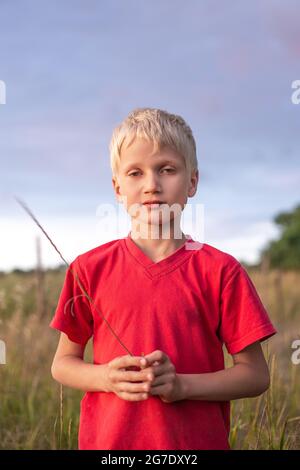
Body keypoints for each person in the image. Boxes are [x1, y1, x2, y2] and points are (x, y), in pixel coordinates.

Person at [50, 107, 277, 450]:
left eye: (167, 170)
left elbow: (256, 375)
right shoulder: (87, 269)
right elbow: (63, 364)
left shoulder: (221, 271)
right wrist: (106, 378)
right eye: (135, 173)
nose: (151, 186)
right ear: (117, 187)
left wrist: (182, 386)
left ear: (193, 182)